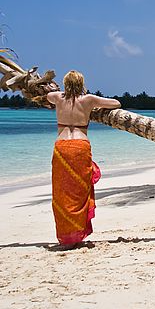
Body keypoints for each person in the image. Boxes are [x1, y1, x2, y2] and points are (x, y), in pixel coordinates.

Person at [46, 70, 121, 249]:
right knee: (80, 193)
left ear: (65, 83)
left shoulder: (56, 97)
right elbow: (116, 103)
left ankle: (67, 238)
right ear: (81, 83)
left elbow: (47, 95)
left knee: (62, 194)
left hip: (62, 147)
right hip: (80, 146)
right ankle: (78, 235)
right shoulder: (88, 100)